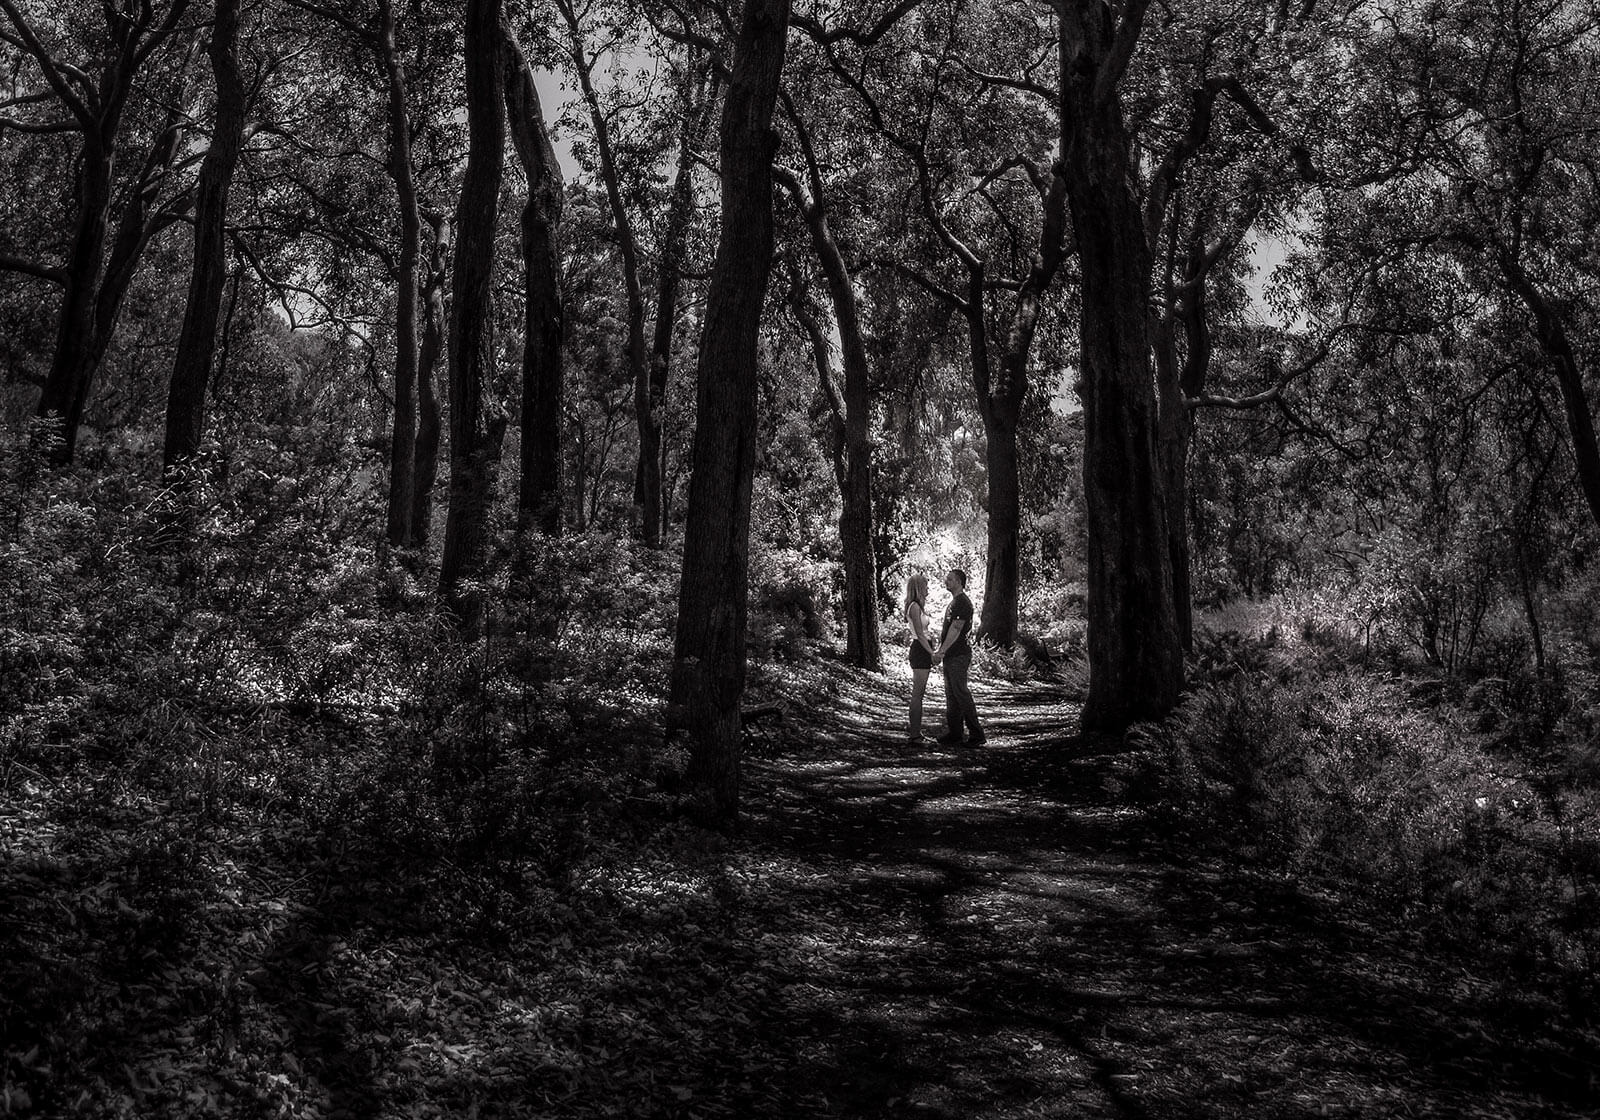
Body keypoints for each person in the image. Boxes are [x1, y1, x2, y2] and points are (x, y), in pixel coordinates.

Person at [932, 569, 984, 746]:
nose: (946, 581)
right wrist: (943, 651)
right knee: (952, 695)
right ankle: (955, 733)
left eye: (951, 579)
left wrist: (941, 651)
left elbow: (956, 629)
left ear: (960, 582)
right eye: (946, 578)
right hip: (951, 655)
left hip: (959, 655)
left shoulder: (963, 602)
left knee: (961, 693)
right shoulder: (954, 602)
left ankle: (977, 735)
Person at [903, 573, 940, 742]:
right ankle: (915, 735)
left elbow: (923, 632)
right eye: (925, 586)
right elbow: (919, 633)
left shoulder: (918, 606)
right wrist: (932, 653)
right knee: (917, 694)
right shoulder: (915, 607)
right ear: (918, 587)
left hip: (922, 648)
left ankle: (917, 733)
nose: (928, 589)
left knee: (920, 693)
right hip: (920, 650)